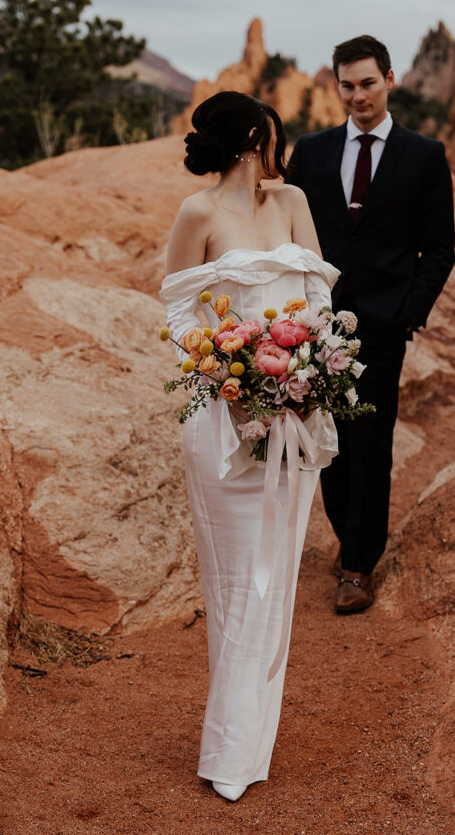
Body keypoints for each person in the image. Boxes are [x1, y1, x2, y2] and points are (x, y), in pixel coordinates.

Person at [159, 91, 339, 802]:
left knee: (279, 576)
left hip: (294, 414)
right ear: (257, 135)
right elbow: (178, 311)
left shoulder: (291, 199)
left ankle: (247, 743)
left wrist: (310, 373)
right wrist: (227, 378)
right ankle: (227, 749)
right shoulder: (197, 213)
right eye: (275, 131)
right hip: (224, 422)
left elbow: (320, 297)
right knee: (240, 580)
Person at [287, 35, 455, 614]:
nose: (357, 95)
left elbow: (439, 249)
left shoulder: (425, 155)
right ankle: (346, 534)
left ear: (389, 79)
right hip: (317, 321)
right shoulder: (310, 151)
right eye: (347, 85)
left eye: (367, 83)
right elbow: (287, 227)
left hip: (383, 324)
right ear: (336, 86)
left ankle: (359, 562)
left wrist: (407, 312)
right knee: (327, 439)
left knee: (371, 438)